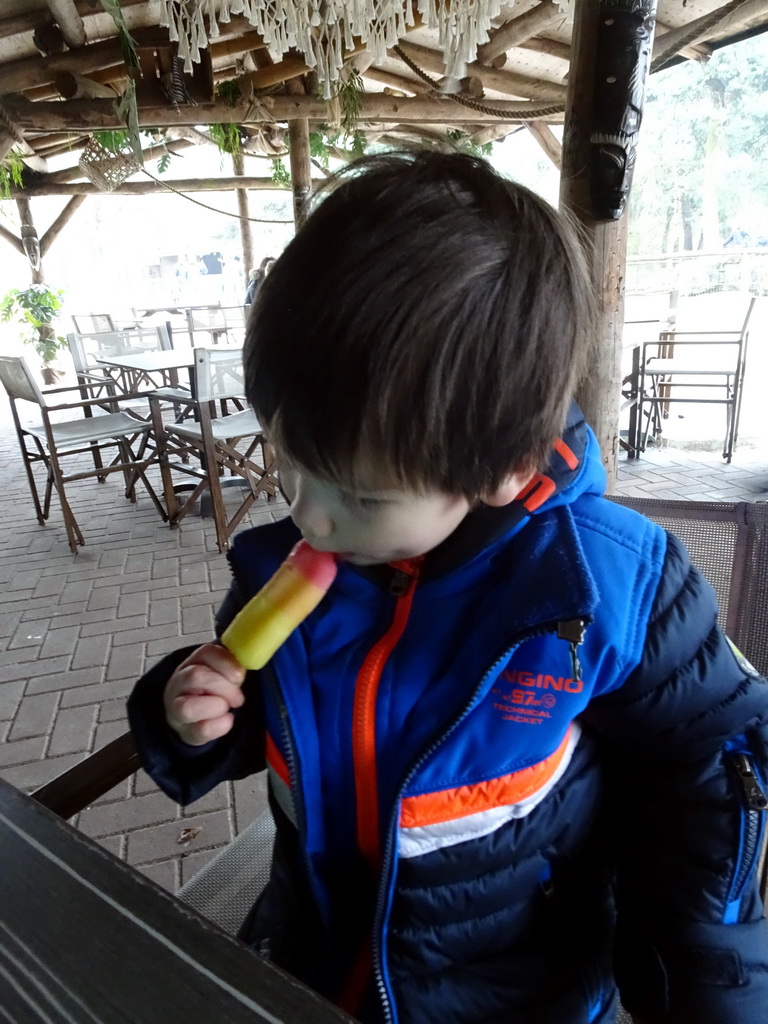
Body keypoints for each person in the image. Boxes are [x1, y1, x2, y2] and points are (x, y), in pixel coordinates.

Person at [128, 150, 768, 1024]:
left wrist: (707, 992)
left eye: (358, 494)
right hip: (311, 955)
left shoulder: (608, 585)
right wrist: (196, 715)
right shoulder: (300, 566)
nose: (308, 516)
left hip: (509, 991)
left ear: (503, 469)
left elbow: (704, 777)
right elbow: (273, 713)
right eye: (291, 461)